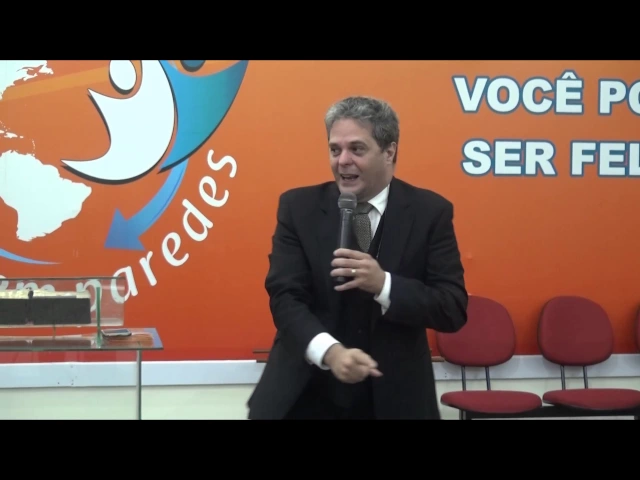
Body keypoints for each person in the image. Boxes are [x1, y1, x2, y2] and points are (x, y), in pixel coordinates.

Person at [247, 95, 468, 420]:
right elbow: (285, 298)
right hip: (304, 395)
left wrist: (384, 285)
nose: (343, 161)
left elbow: (451, 308)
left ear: (389, 151)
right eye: (335, 149)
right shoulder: (298, 208)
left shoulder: (430, 213)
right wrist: (331, 352)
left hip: (395, 399)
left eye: (356, 149)